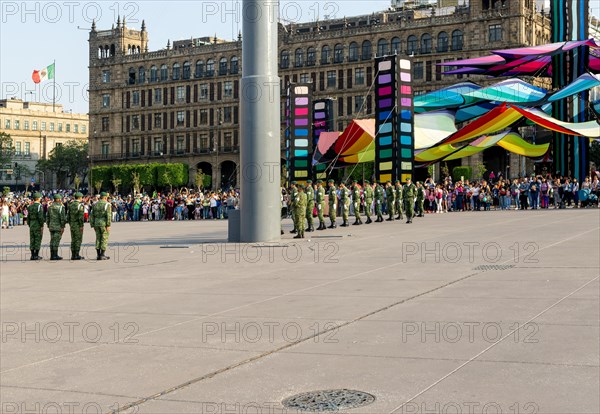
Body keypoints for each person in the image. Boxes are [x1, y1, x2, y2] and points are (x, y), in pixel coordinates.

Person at [90, 192, 111, 260]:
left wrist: (92, 224)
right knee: (104, 238)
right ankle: (102, 254)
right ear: (105, 197)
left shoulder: (95, 204)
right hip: (103, 223)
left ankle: (98, 255)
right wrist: (108, 225)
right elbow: (108, 215)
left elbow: (92, 215)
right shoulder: (107, 204)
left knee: (98, 238)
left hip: (96, 223)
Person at [46, 194, 67, 260]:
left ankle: (52, 254)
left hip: (51, 226)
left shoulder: (50, 207)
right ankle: (54, 255)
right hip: (58, 226)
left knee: (52, 240)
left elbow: (47, 217)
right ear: (59, 199)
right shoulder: (61, 207)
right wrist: (63, 226)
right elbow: (62, 218)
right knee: (56, 241)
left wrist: (48, 225)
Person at [27, 193, 45, 260]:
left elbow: (28, 217)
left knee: (32, 239)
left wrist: (29, 224)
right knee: (37, 239)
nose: (40, 199)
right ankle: (36, 255)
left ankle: (32, 255)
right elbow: (40, 217)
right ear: (38, 198)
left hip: (32, 224)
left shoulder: (30, 206)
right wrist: (42, 225)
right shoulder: (39, 206)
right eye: (40, 198)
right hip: (37, 224)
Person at [68, 192, 85, 260]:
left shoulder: (71, 204)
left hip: (72, 224)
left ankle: (73, 254)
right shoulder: (79, 205)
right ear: (80, 198)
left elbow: (68, 216)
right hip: (77, 224)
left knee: (73, 239)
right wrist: (81, 226)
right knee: (78, 239)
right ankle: (76, 255)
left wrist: (70, 223)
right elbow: (80, 217)